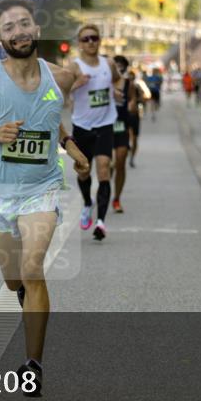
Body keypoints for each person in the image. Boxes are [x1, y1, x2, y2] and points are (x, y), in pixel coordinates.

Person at [0, 0, 89, 397]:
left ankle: (33, 364)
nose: (19, 31)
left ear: (37, 29)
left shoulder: (61, 78)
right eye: (9, 27)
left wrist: (71, 147)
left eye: (24, 23)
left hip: (41, 188)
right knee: (14, 281)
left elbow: (51, 121)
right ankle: (25, 293)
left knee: (32, 268)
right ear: (0, 37)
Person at [68, 24, 121, 241]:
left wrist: (117, 90)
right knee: (83, 171)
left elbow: (118, 78)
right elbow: (59, 92)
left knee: (103, 169)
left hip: (105, 124)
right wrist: (76, 84)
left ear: (100, 41)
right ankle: (88, 203)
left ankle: (101, 222)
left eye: (94, 38)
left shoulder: (108, 63)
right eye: (86, 39)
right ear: (79, 44)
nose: (91, 42)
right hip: (82, 126)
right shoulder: (74, 67)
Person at [111, 55, 139, 213]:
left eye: (121, 65)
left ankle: (116, 198)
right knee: (107, 165)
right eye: (116, 64)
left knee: (120, 162)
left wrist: (131, 105)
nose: (118, 67)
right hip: (105, 126)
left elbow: (132, 100)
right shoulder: (103, 82)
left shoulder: (129, 84)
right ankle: (104, 191)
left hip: (121, 125)